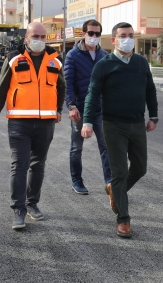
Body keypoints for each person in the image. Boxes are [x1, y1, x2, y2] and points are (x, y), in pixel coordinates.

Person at [0, 22, 65, 231]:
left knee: (38, 165)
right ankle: (18, 209)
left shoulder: (55, 60)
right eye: (35, 36)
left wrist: (58, 109)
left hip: (46, 122)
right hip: (19, 122)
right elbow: (1, 89)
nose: (39, 40)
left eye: (42, 36)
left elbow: (61, 86)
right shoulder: (13, 59)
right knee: (19, 165)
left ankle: (32, 203)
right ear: (26, 38)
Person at [82, 22, 158, 239]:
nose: (128, 39)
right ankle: (123, 220)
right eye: (123, 35)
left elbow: (150, 91)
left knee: (140, 168)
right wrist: (87, 122)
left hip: (137, 124)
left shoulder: (141, 63)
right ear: (113, 40)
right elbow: (92, 95)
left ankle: (115, 190)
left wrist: (153, 116)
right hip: (113, 125)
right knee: (119, 171)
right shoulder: (104, 65)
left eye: (131, 35)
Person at [63, 19, 111, 195]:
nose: (94, 37)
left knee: (106, 147)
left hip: (100, 110)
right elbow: (68, 83)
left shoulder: (104, 55)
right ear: (83, 34)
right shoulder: (73, 55)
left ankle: (110, 183)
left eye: (97, 34)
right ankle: (77, 180)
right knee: (77, 147)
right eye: (90, 33)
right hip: (80, 109)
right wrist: (71, 106)